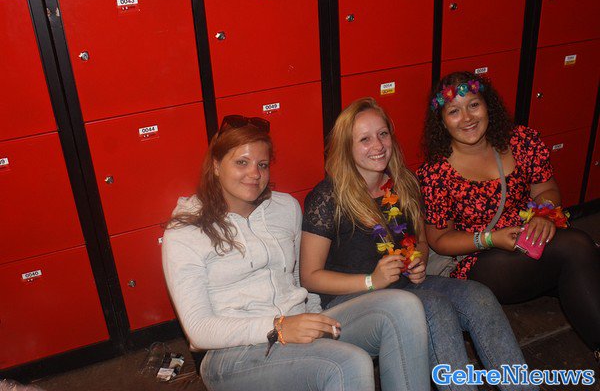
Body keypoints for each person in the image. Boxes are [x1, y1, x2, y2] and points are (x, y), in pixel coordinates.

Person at [161, 115, 430, 391]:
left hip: (299, 325)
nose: (254, 174)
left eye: (262, 164)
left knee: (404, 306)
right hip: (232, 354)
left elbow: (301, 280)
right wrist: (278, 326)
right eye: (241, 162)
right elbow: (199, 330)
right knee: (349, 363)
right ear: (216, 166)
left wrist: (315, 318)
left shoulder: (285, 208)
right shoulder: (186, 231)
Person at [301, 97, 536, 391]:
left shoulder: (404, 183)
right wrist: (372, 281)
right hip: (348, 302)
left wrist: (418, 261)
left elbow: (422, 242)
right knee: (434, 308)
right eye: (364, 139)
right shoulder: (327, 197)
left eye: (383, 134)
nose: (378, 145)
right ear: (346, 147)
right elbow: (309, 276)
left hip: (404, 287)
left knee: (479, 296)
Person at [417, 71, 600, 362]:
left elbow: (547, 189)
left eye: (473, 105)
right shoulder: (435, 173)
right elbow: (439, 239)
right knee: (577, 247)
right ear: (442, 121)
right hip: (483, 260)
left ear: (487, 105)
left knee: (581, 266)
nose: (467, 118)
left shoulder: (522, 140)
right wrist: (491, 238)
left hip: (531, 240)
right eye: (454, 111)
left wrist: (543, 214)